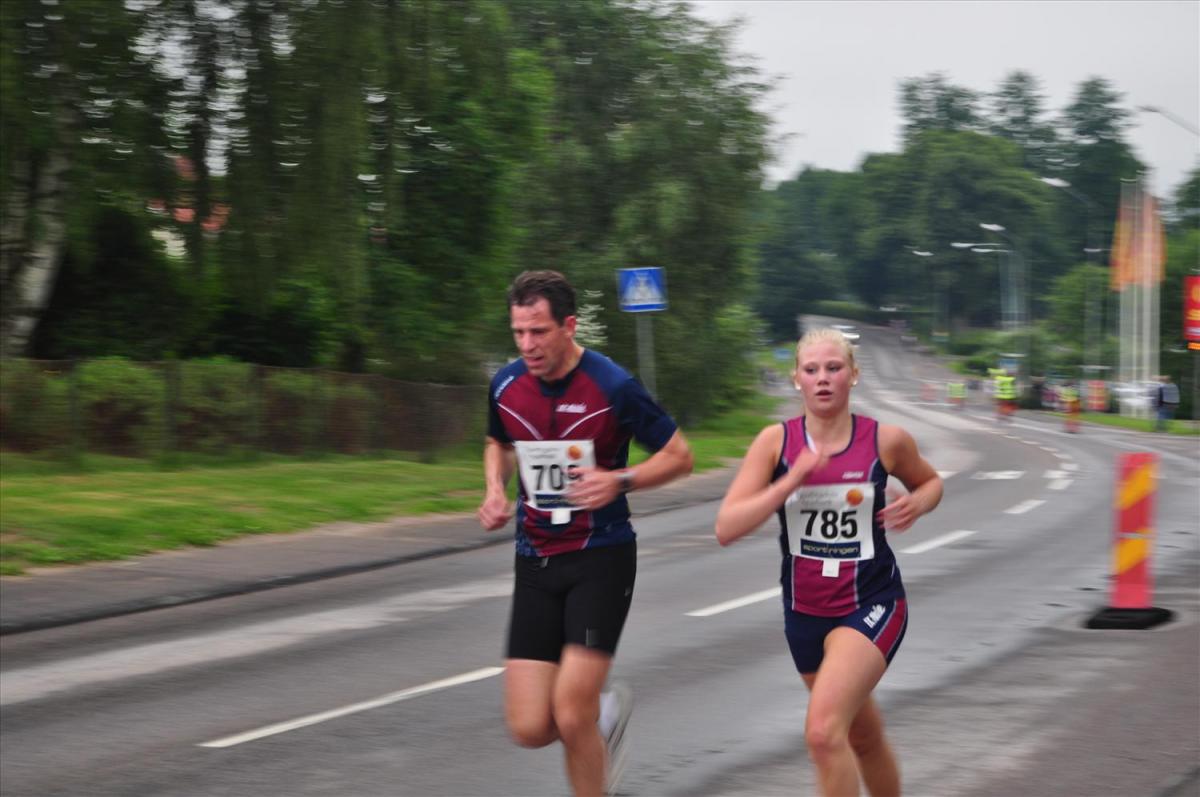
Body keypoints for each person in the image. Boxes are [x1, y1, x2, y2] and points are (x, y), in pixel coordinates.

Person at [478, 270, 694, 796]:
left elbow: (680, 456)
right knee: (530, 727)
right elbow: (498, 442)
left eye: (539, 331)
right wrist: (494, 489)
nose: (527, 344)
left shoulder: (612, 385)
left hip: (601, 557)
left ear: (569, 326)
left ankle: (591, 728)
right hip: (535, 558)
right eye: (518, 332)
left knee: (572, 711)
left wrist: (619, 480)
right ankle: (605, 718)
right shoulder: (506, 385)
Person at [715, 327, 943, 797]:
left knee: (822, 733)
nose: (822, 378)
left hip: (872, 603)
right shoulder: (775, 443)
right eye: (811, 369)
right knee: (861, 735)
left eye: (834, 368)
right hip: (804, 613)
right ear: (796, 378)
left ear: (853, 376)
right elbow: (726, 528)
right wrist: (790, 480)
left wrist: (918, 504)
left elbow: (931, 482)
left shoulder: (885, 440)